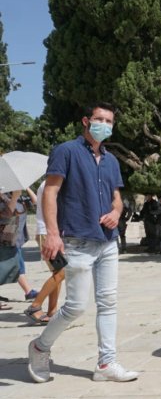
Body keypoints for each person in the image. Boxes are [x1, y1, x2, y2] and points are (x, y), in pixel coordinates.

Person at [28, 101, 138, 383]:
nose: (105, 125)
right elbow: (50, 193)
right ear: (86, 121)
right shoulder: (66, 151)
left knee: (108, 302)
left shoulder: (112, 160)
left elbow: (117, 199)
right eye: (100, 119)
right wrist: (53, 234)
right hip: (77, 239)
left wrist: (116, 212)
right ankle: (40, 347)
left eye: (110, 121)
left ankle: (106, 363)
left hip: (107, 241)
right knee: (75, 306)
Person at [24, 182, 67, 324]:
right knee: (62, 273)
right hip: (46, 234)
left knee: (58, 273)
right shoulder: (51, 183)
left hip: (48, 233)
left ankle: (52, 311)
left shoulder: (48, 183)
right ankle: (34, 306)